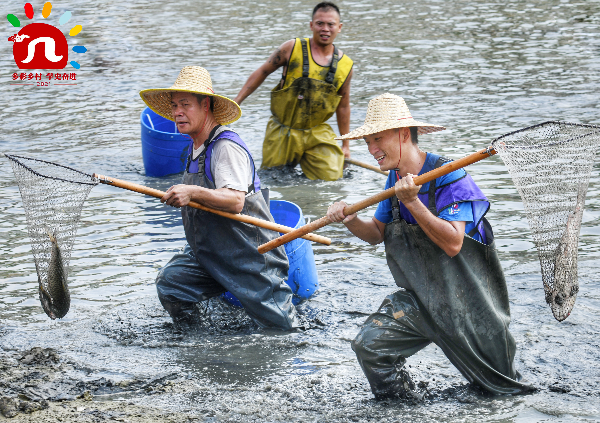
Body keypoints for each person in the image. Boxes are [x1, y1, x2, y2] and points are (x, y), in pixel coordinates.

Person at [326, 93, 533, 400]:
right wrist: (350, 219)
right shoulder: (395, 180)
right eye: (368, 142)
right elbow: (376, 233)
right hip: (422, 302)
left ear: (402, 134)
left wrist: (412, 201)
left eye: (377, 139)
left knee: (503, 393)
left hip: (471, 311)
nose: (371, 150)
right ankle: (402, 409)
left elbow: (452, 243)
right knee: (370, 346)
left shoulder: (451, 176)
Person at [140, 66, 298, 330]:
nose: (177, 112)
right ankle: (197, 342)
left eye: (186, 104)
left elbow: (235, 201)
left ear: (206, 106)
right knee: (172, 283)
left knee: (283, 332)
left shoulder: (226, 147)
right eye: (175, 105)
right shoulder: (193, 146)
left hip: (250, 258)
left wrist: (191, 192)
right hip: (210, 255)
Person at [234, 2, 353, 181]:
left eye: (331, 24)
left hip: (317, 131)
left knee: (330, 181)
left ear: (339, 27)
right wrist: (236, 102)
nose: (325, 29)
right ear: (311, 25)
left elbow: (343, 107)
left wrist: (346, 145)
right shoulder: (291, 48)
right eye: (320, 23)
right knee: (272, 179)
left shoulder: (345, 66)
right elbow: (262, 72)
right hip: (283, 129)